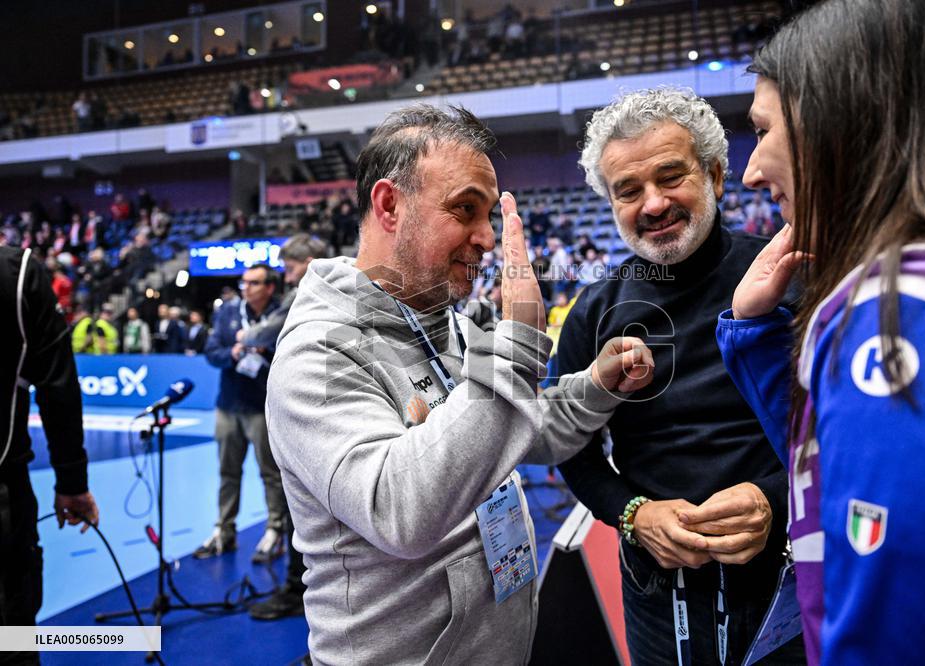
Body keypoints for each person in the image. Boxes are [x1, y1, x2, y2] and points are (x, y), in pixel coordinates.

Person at [265, 105, 655, 664]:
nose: (487, 238)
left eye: (490, 215)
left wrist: (595, 385)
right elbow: (399, 512)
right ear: (389, 205)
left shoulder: (447, 323)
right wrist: (517, 343)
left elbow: (521, 430)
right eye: (465, 209)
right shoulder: (319, 351)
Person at [714, 2, 925, 664]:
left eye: (763, 131)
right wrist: (754, 333)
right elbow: (831, 473)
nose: (752, 172)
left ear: (842, 124)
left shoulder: (908, 314)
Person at [558, 87, 802, 665]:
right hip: (657, 590)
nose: (653, 204)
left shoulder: (786, 277)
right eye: (628, 190)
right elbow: (572, 449)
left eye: (671, 177)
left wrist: (776, 499)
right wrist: (634, 514)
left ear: (715, 175)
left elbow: (840, 433)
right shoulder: (595, 311)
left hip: (787, 572)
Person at [0, 248, 99, 666]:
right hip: (4, 489)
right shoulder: (18, 272)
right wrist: (72, 484)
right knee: (12, 636)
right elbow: (58, 387)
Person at [242, 234, 327, 620]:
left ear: (307, 263)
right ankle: (304, 587)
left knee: (302, 504)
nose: (287, 277)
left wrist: (246, 336)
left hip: (310, 408)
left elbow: (262, 333)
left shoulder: (310, 291)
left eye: (290, 269)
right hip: (320, 404)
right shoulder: (342, 289)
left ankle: (297, 589)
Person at [195, 264, 287, 563]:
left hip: (263, 407)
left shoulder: (282, 313)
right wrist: (233, 354)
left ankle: (275, 531)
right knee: (228, 472)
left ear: (269, 287)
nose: (246, 287)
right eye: (244, 282)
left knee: (271, 474)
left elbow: (293, 356)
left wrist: (265, 353)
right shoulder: (228, 312)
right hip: (228, 404)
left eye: (254, 283)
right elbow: (212, 353)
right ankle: (224, 530)